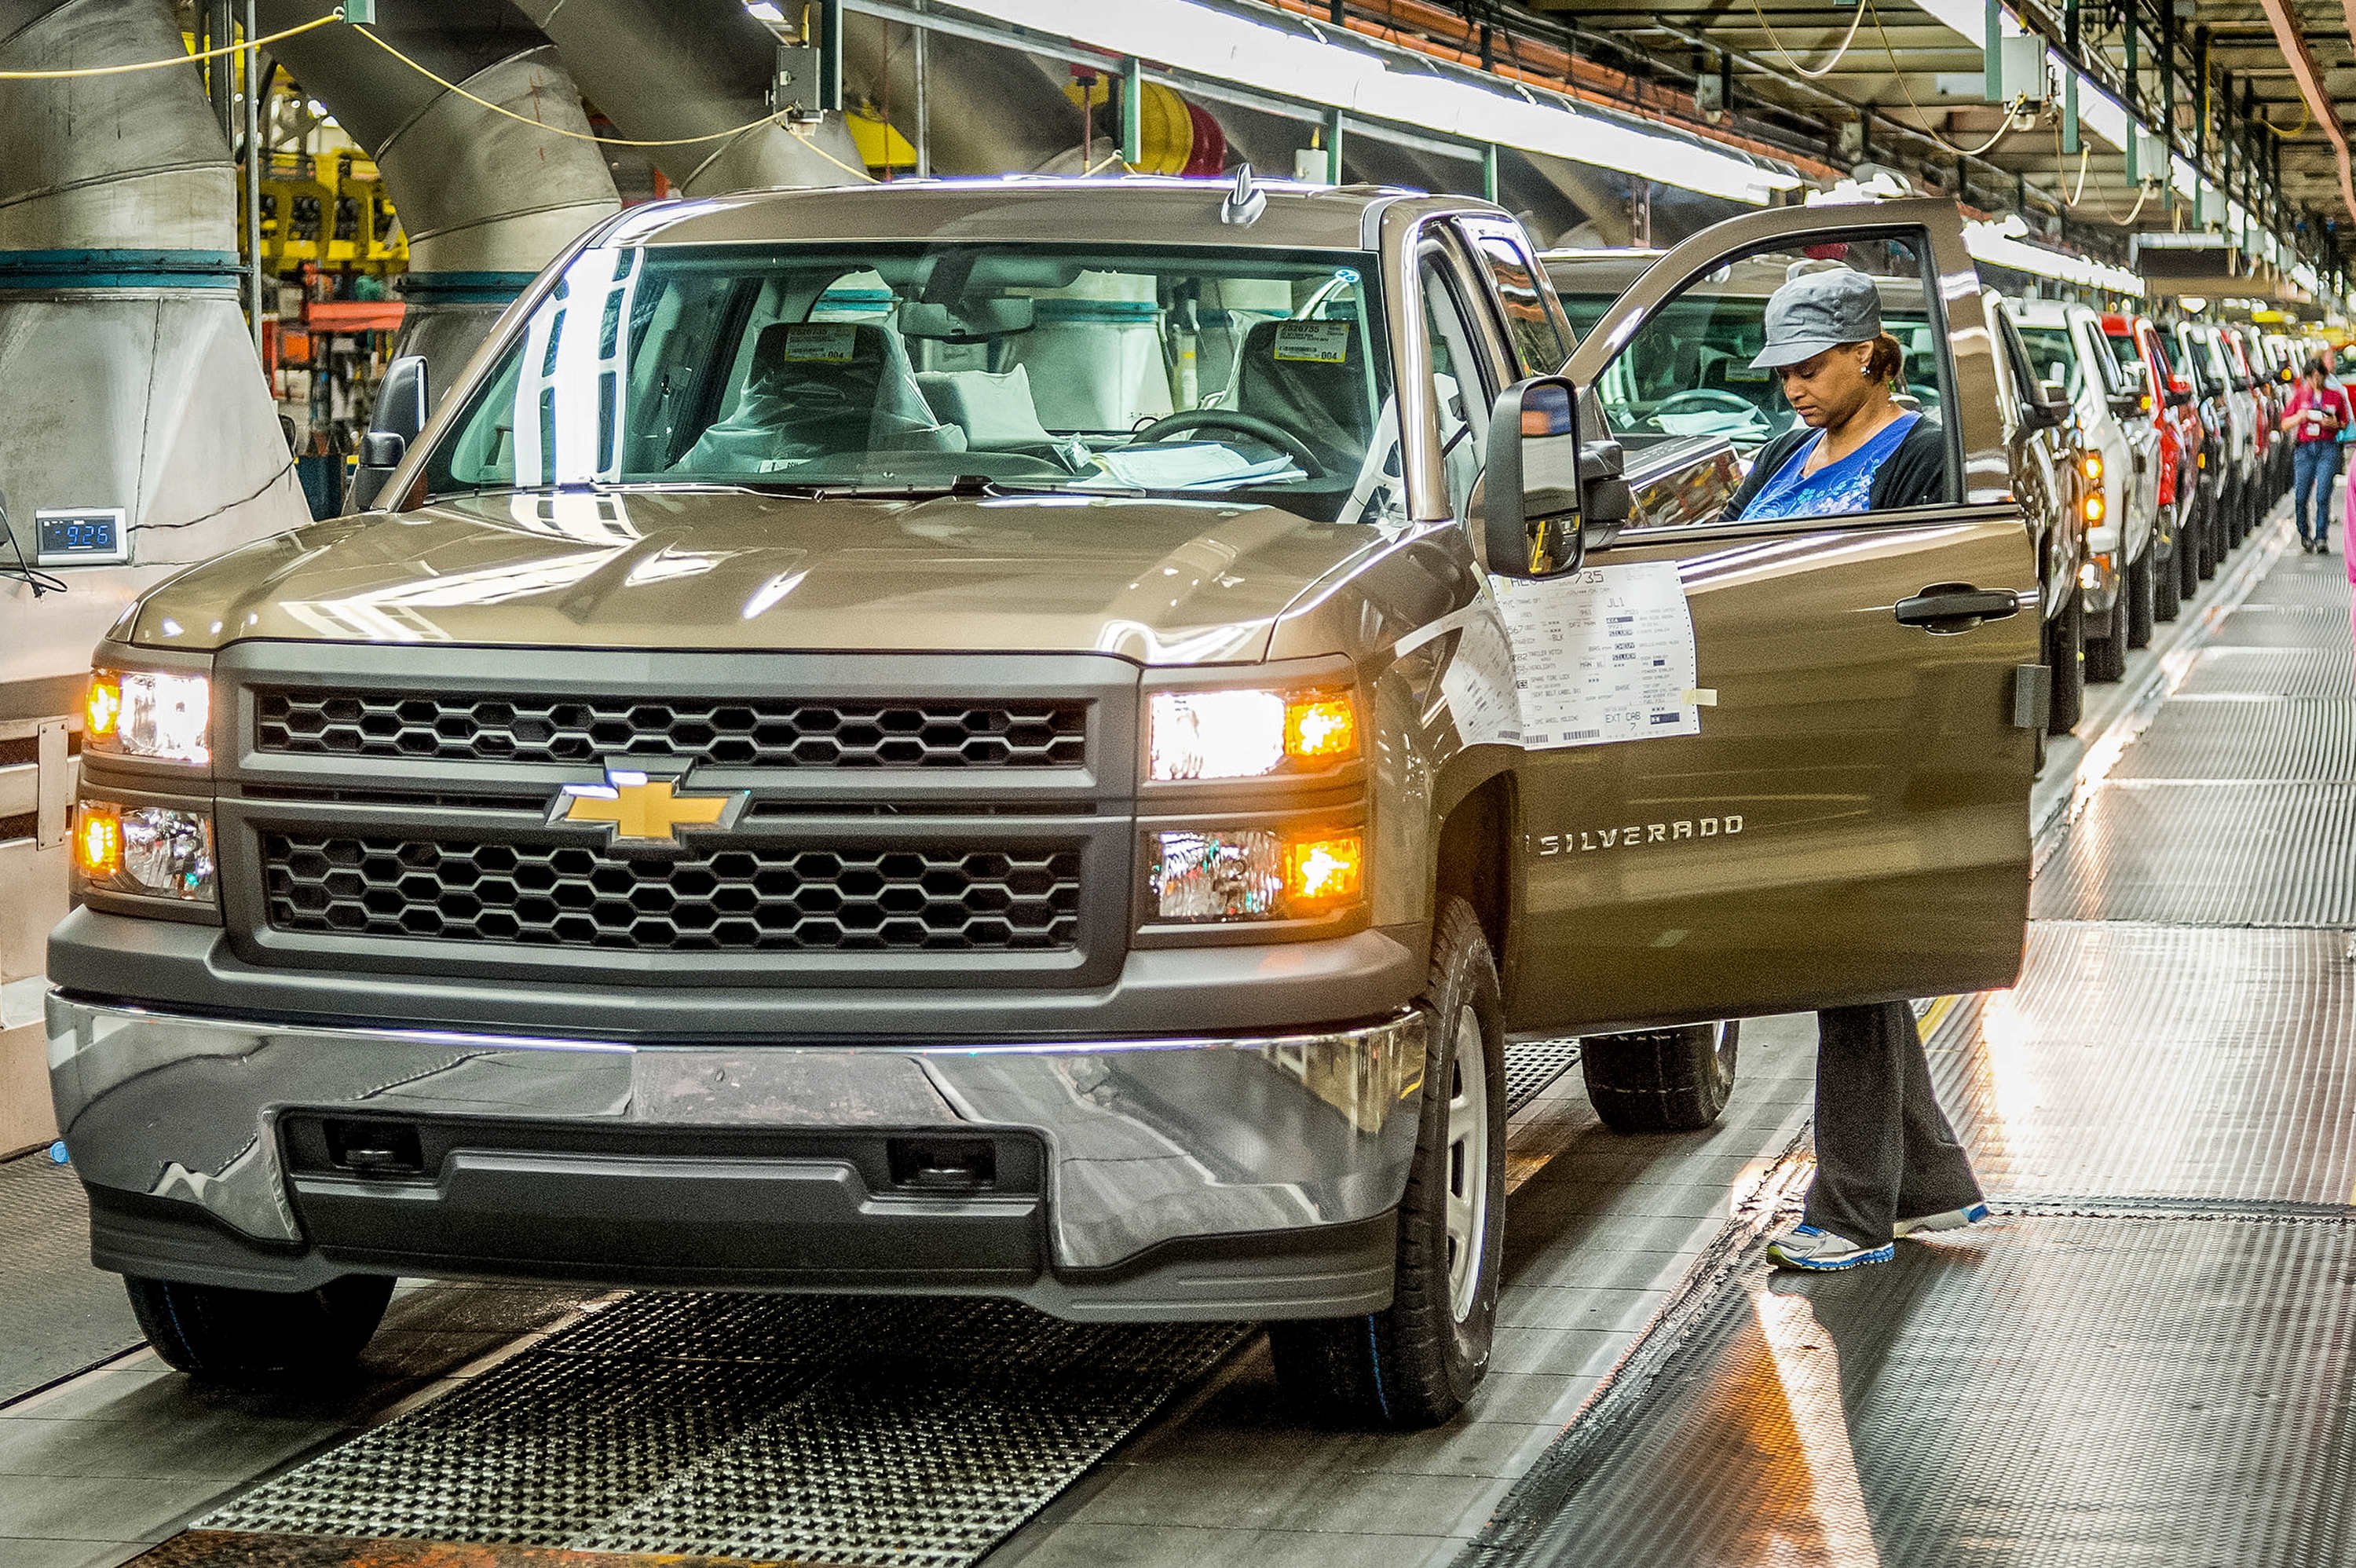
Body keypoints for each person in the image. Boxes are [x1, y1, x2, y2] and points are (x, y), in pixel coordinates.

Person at [1719, 268, 1988, 1272]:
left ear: (1870, 353)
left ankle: (1850, 1211)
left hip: (1863, 737)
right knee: (1854, 957)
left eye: (1810, 365)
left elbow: (1926, 593)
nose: (1792, 385)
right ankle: (1931, 1183)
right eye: (1782, 370)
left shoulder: (1920, 452)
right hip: (1780, 734)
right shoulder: (1787, 451)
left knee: (1852, 959)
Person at [2282, 356, 2353, 554]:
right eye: (2311, 377)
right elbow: (2284, 423)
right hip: (2305, 449)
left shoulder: (2335, 396)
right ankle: (2304, 533)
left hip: (2327, 447)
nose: (2316, 381)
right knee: (2301, 495)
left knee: (2323, 494)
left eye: (2319, 376)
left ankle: (2321, 536)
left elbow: (2344, 423)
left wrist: (2334, 424)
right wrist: (2300, 417)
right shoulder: (2300, 396)